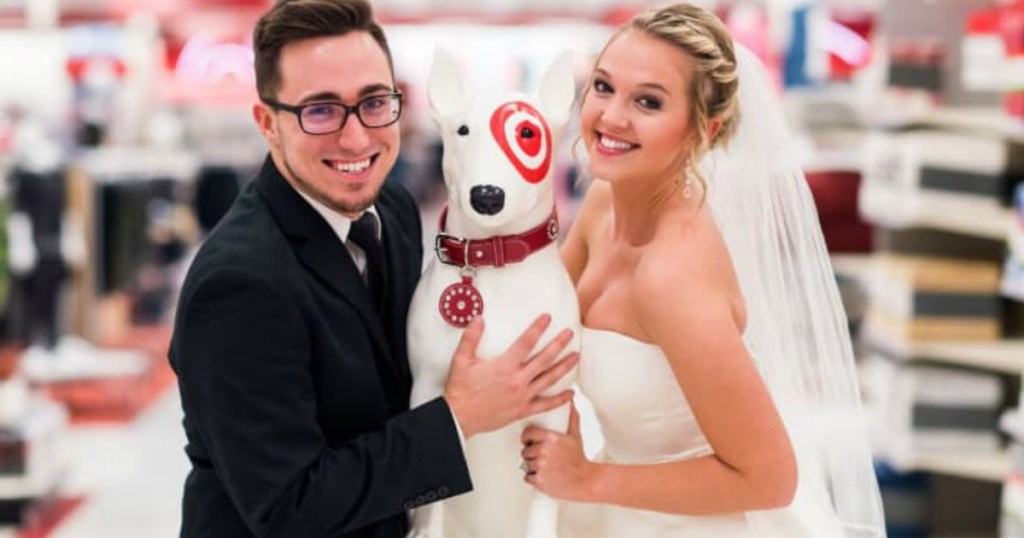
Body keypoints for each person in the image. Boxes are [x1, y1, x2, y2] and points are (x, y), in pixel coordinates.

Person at [168, 1, 578, 537]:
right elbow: (289, 508)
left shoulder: (392, 210)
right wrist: (460, 418)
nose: (357, 138)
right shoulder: (238, 284)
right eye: (320, 110)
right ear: (268, 123)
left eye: (374, 103)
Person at [520, 4, 885, 537]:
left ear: (704, 130)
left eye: (648, 101)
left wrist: (590, 479)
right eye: (603, 86)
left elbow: (769, 478)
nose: (611, 116)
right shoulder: (603, 203)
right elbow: (545, 321)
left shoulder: (673, 277)